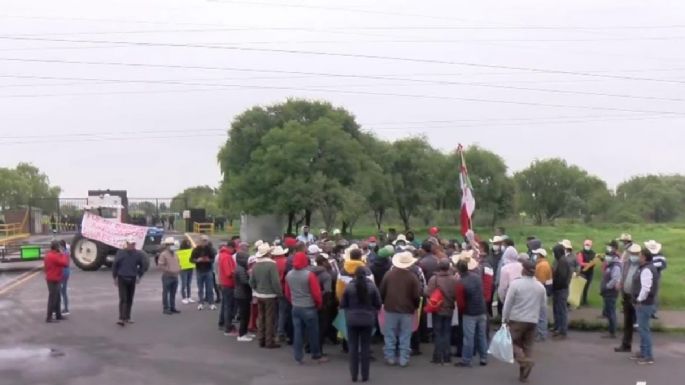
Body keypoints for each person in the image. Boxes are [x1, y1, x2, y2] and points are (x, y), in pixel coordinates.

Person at [502, 260, 547, 383]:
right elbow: (543, 306)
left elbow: (508, 303)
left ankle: (524, 361)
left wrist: (504, 319)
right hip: (532, 320)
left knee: (510, 343)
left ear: (524, 270)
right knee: (528, 347)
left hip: (517, 319)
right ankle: (523, 376)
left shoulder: (516, 284)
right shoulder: (540, 287)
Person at [379, 251, 421, 367]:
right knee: (405, 335)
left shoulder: (388, 274)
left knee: (390, 334)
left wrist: (384, 302)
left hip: (390, 308)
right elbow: (416, 295)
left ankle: (390, 357)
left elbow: (382, 291)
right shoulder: (412, 277)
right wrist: (415, 306)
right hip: (407, 310)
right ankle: (403, 359)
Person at [284, 252, 328, 364]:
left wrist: (293, 301)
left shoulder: (289, 274)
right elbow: (316, 293)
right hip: (309, 307)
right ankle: (316, 355)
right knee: (313, 333)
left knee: (298, 333)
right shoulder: (309, 275)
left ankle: (298, 356)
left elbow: (287, 293)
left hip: (296, 307)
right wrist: (318, 304)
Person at [341, 266, 382, 382]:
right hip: (368, 320)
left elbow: (343, 303)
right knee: (365, 348)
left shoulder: (349, 287)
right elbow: (378, 303)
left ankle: (353, 375)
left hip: (352, 320)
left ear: (354, 275)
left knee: (353, 348)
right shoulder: (372, 287)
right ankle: (365, 375)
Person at [454, 255, 488, 367]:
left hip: (469, 312)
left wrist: (462, 312)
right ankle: (483, 357)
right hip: (481, 309)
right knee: (481, 335)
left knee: (469, 337)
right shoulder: (476, 277)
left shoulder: (460, 283)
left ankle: (466, 360)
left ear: (458, 269)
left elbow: (460, 303)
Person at [249, 243, 283, 349]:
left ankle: (261, 339)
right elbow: (276, 282)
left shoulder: (256, 265)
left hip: (259, 294)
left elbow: (251, 281)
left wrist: (257, 288)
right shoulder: (272, 265)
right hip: (270, 295)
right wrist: (279, 293)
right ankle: (269, 341)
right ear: (268, 253)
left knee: (261, 317)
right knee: (270, 319)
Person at [426, 260, 458, 365]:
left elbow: (427, 293)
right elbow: (456, 294)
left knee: (438, 333)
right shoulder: (454, 279)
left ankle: (437, 356)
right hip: (449, 308)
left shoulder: (434, 279)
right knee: (447, 332)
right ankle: (447, 356)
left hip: (437, 308)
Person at [632, 248, 660, 365]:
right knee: (642, 328)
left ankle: (648, 356)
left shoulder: (646, 270)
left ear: (644, 257)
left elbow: (646, 288)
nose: (638, 257)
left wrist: (639, 299)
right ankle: (644, 352)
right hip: (646, 303)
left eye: (639, 255)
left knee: (644, 330)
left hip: (644, 303)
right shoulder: (648, 268)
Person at [112, 237, 147, 326]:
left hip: (132, 278)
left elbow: (143, 265)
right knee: (123, 298)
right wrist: (115, 277)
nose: (132, 245)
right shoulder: (121, 253)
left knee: (130, 299)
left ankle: (127, 317)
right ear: (127, 244)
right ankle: (121, 318)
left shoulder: (137, 254)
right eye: (130, 244)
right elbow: (115, 265)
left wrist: (139, 275)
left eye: (133, 244)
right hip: (122, 278)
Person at [614, 243, 642, 354]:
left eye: (636, 254)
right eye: (632, 253)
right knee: (628, 322)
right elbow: (623, 275)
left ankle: (643, 349)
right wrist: (620, 282)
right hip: (626, 295)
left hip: (637, 297)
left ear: (639, 254)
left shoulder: (642, 265)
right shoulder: (626, 263)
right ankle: (626, 345)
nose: (633, 255)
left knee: (641, 324)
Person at [312, 255, 335, 348]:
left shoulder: (310, 272)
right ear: (324, 262)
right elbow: (327, 291)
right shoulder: (326, 275)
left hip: (311, 300)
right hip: (323, 302)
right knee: (323, 324)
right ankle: (318, 347)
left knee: (314, 325)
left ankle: (311, 345)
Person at [600, 243, 622, 339]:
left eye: (608, 256)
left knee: (611, 312)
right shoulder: (610, 265)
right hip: (608, 292)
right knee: (609, 312)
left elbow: (615, 279)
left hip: (611, 292)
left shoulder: (615, 266)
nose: (607, 258)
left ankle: (612, 331)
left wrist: (607, 287)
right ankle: (611, 330)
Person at [44, 240, 69, 323]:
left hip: (53, 278)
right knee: (53, 298)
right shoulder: (54, 256)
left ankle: (58, 315)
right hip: (54, 279)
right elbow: (65, 263)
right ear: (56, 247)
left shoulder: (49, 255)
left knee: (57, 297)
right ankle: (49, 317)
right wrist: (63, 254)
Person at [190, 235, 217, 310]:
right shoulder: (196, 250)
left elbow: (214, 258)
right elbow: (191, 259)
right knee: (200, 288)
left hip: (208, 270)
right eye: (203, 240)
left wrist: (209, 260)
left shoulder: (210, 249)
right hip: (199, 270)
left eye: (206, 241)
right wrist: (197, 260)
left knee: (210, 288)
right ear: (200, 241)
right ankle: (200, 303)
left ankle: (211, 303)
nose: (204, 242)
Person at [551, 243, 571, 339]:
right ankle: (557, 327)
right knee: (557, 310)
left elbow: (562, 277)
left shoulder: (562, 262)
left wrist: (553, 284)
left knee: (561, 311)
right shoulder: (560, 260)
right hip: (559, 289)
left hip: (561, 289)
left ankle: (562, 330)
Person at [532, 248, 552, 341]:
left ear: (540, 255)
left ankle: (541, 334)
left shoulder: (542, 265)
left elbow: (541, 281)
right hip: (543, 290)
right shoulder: (543, 264)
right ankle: (540, 333)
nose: (535, 256)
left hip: (541, 291)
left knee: (541, 314)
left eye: (536, 254)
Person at [158, 237, 181, 315]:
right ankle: (166, 308)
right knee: (166, 293)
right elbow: (160, 266)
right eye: (170, 244)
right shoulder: (163, 254)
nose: (172, 246)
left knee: (173, 293)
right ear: (167, 245)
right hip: (167, 276)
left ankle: (172, 307)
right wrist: (169, 270)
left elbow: (178, 263)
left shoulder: (175, 254)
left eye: (173, 244)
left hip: (175, 276)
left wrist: (179, 268)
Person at [217, 242, 237, 335]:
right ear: (230, 248)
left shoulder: (222, 255)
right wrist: (236, 273)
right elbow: (229, 273)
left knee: (225, 305)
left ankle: (222, 322)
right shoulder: (227, 257)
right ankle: (228, 326)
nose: (234, 251)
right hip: (228, 284)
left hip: (224, 283)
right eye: (234, 249)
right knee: (229, 306)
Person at [234, 251, 253, 342]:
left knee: (247, 314)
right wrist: (250, 277)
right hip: (242, 295)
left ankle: (244, 332)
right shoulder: (240, 269)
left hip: (242, 294)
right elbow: (245, 282)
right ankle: (242, 334)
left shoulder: (240, 268)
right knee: (244, 315)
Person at [272, 245, 290, 342]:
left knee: (276, 311)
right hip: (283, 289)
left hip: (273, 290)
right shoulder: (285, 262)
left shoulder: (272, 263)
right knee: (283, 312)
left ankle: (275, 329)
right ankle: (281, 332)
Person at [644, 240, 666, 319]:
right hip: (651, 276)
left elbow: (663, 265)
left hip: (654, 277)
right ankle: (649, 311)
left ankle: (652, 312)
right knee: (650, 294)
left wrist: (651, 266)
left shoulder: (659, 256)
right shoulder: (648, 255)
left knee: (653, 294)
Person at [497, 242, 522, 311]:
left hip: (509, 296)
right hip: (521, 295)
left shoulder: (505, 268)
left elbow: (503, 287)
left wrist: (502, 299)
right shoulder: (522, 266)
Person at [577, 240, 596, 306]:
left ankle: (585, 300)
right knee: (580, 287)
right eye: (586, 245)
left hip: (590, 272)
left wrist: (593, 263)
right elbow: (580, 263)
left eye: (588, 245)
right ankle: (577, 301)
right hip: (583, 272)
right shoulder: (580, 253)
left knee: (586, 287)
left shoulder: (593, 253)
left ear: (591, 246)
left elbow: (595, 262)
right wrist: (589, 264)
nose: (587, 246)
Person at [179, 239, 195, 305]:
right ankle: (184, 297)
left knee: (188, 283)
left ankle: (188, 297)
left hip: (190, 268)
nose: (188, 244)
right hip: (183, 269)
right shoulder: (180, 252)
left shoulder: (191, 250)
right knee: (184, 283)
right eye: (187, 243)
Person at [58, 240, 71, 316]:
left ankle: (63, 308)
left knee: (60, 292)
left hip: (62, 273)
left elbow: (61, 263)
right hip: (66, 272)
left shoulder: (63, 253)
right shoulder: (67, 251)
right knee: (63, 292)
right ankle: (65, 308)